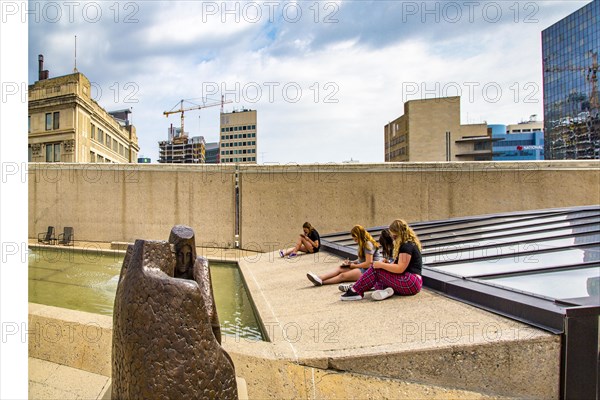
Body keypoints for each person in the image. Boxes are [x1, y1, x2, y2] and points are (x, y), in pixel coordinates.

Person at [340, 219, 422, 301]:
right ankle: (386, 292)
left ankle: (356, 290)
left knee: (376, 269)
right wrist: (387, 264)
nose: (393, 239)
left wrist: (382, 265)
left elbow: (400, 268)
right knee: (378, 280)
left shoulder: (406, 246)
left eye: (394, 236)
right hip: (412, 283)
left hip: (410, 281)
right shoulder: (409, 244)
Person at [306, 225, 381, 287]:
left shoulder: (368, 244)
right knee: (340, 268)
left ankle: (322, 282)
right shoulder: (362, 244)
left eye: (355, 238)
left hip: (370, 271)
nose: (354, 240)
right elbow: (362, 260)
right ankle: (319, 278)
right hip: (363, 268)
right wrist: (351, 262)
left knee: (343, 276)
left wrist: (354, 266)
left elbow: (369, 263)